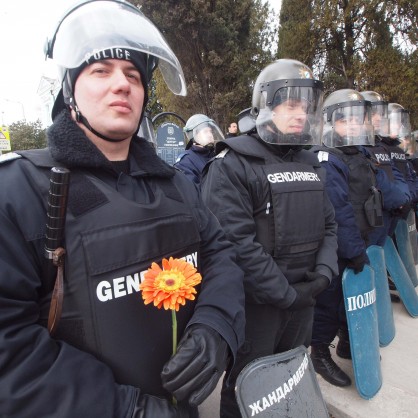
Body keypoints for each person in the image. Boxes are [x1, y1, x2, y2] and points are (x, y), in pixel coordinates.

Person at [0, 1, 245, 417]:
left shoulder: (175, 185)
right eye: (101, 71)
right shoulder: (21, 191)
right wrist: (124, 409)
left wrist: (216, 325)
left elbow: (220, 255)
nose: (122, 84)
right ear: (69, 89)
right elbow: (10, 349)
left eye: (133, 74)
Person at [201, 58, 338, 417]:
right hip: (258, 307)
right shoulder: (234, 164)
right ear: (266, 105)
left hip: (304, 299)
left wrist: (322, 277)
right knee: (250, 386)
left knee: (289, 380)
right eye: (290, 105)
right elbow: (236, 244)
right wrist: (286, 294)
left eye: (305, 107)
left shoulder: (310, 162)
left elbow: (330, 226)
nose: (300, 115)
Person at [309, 89, 385, 387]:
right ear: (331, 123)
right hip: (337, 248)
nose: (353, 126)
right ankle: (319, 353)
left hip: (357, 242)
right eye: (346, 121)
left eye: (358, 120)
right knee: (330, 302)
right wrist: (355, 252)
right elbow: (339, 211)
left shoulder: (358, 154)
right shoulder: (328, 158)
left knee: (349, 299)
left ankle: (344, 342)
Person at [174, 114, 224, 187]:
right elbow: (192, 192)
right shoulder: (185, 162)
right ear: (194, 136)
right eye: (205, 132)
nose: (210, 135)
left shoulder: (215, 155)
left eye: (210, 132)